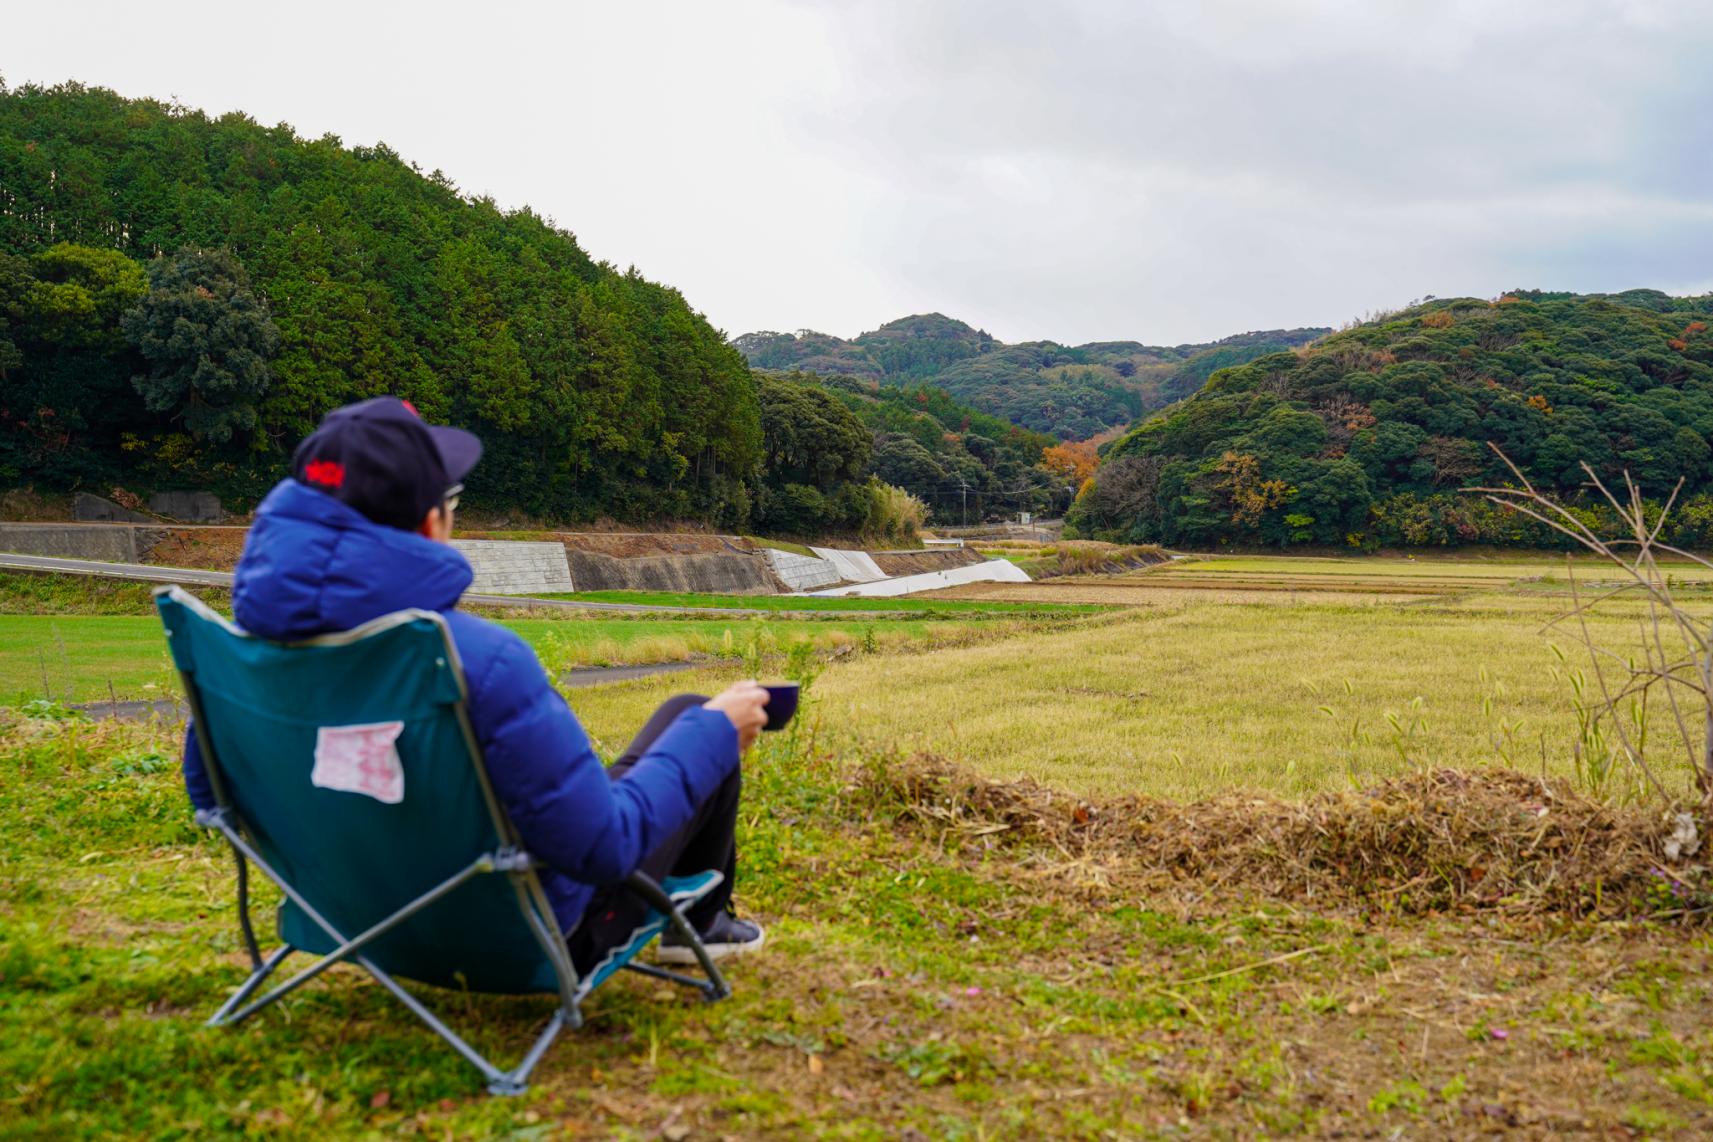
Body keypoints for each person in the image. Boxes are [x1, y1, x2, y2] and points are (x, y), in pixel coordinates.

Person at [179, 396, 770, 970]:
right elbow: (603, 849)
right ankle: (700, 923)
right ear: (430, 520)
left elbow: (211, 801)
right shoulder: (477, 660)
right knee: (701, 721)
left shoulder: (233, 655)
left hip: (344, 916)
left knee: (683, 710)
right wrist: (717, 735)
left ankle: (704, 905)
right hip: (525, 937)